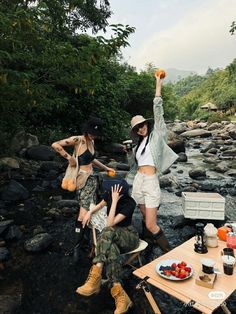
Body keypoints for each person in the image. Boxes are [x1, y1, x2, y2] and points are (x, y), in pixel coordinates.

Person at [126, 71, 178, 254]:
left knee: (151, 222)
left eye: (142, 125)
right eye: (137, 128)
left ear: (147, 124)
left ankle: (169, 252)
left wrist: (158, 83)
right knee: (142, 214)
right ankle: (148, 242)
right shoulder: (138, 145)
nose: (141, 129)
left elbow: (158, 109)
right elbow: (134, 165)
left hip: (151, 181)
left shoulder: (157, 136)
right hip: (138, 181)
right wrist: (128, 153)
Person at [51, 117, 115, 261]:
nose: (93, 135)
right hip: (81, 181)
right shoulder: (78, 140)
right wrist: (68, 158)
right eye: (92, 132)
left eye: (96, 133)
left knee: (84, 211)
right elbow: (55, 144)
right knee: (83, 213)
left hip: (91, 181)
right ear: (87, 130)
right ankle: (77, 247)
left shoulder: (92, 141)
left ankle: (82, 242)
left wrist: (106, 168)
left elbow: (91, 160)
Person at [76, 179, 139, 314]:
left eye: (112, 190)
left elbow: (110, 223)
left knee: (107, 230)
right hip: (113, 238)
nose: (108, 191)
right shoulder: (108, 195)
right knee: (111, 250)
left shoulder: (130, 203)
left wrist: (115, 201)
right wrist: (89, 212)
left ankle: (96, 275)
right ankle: (120, 294)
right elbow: (99, 205)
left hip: (129, 236)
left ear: (118, 192)